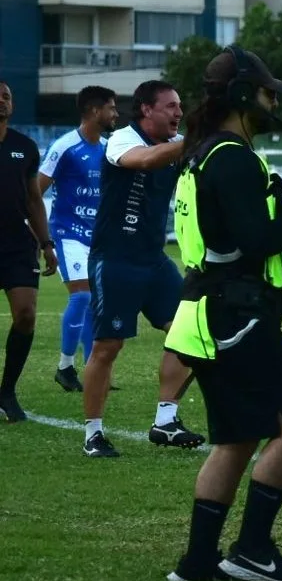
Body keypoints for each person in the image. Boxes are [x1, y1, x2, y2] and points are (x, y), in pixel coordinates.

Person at [165, 47, 282, 581]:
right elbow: (254, 243)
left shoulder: (205, 152)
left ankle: (198, 562)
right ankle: (253, 549)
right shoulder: (233, 156)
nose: (272, 100)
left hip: (210, 309)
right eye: (266, 90)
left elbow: (234, 238)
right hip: (237, 314)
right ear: (243, 94)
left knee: (236, 439)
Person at [81, 80, 203, 457]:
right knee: (108, 346)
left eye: (180, 107)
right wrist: (199, 138)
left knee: (190, 334)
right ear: (146, 110)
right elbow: (146, 160)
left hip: (153, 259)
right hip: (115, 258)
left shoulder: (179, 143)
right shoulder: (121, 139)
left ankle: (166, 421)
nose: (178, 113)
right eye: (170, 106)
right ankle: (93, 434)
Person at [37, 86, 117, 393]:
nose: (115, 114)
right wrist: (39, 236)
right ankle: (64, 367)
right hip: (67, 234)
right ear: (95, 111)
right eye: (111, 108)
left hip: (97, 238)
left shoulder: (110, 149)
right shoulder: (65, 146)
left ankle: (94, 369)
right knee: (82, 296)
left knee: (96, 303)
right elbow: (36, 190)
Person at [0, 82, 55, 424]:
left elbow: (35, 199)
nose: (1, 101)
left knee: (26, 315)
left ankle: (7, 391)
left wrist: (46, 243)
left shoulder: (25, 146)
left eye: (6, 96)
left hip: (18, 243)